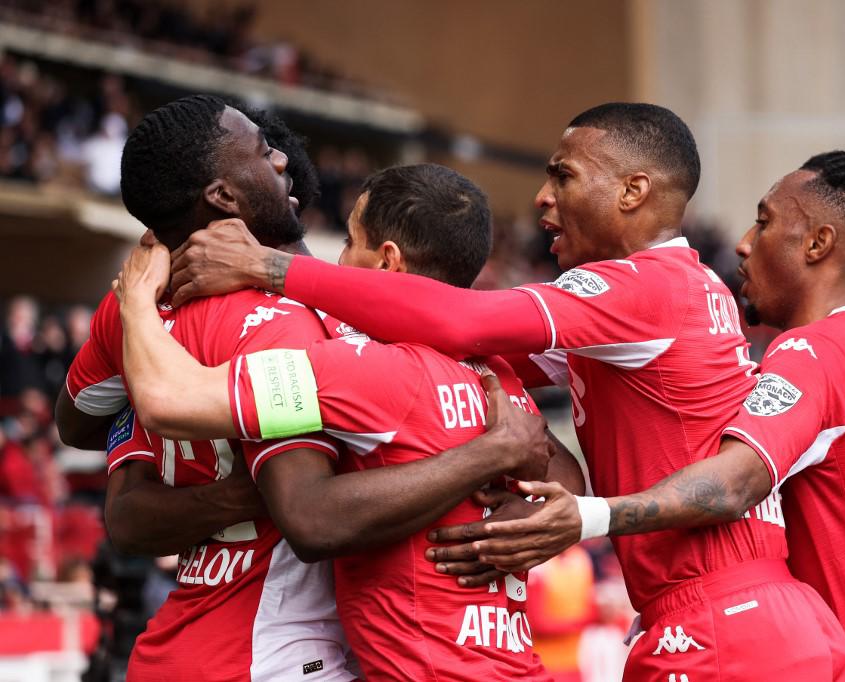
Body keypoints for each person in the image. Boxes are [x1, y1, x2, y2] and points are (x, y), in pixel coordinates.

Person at [165, 102, 845, 681]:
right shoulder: (677, 297)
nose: (542, 198)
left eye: (564, 175)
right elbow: (469, 361)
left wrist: (268, 270)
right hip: (763, 617)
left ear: (633, 192)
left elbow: (458, 323)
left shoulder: (642, 286)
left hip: (717, 628)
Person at [58, 97, 551, 681]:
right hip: (279, 657)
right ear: (223, 196)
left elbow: (88, 441)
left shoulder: (133, 320)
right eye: (262, 152)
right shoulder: (311, 333)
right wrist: (500, 466)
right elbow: (309, 515)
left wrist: (139, 317)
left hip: (189, 646)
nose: (282, 158)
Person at [454, 139, 845, 681]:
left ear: (819, 243)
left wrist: (589, 516)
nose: (744, 244)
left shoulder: (814, 350)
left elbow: (734, 483)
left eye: (764, 222)